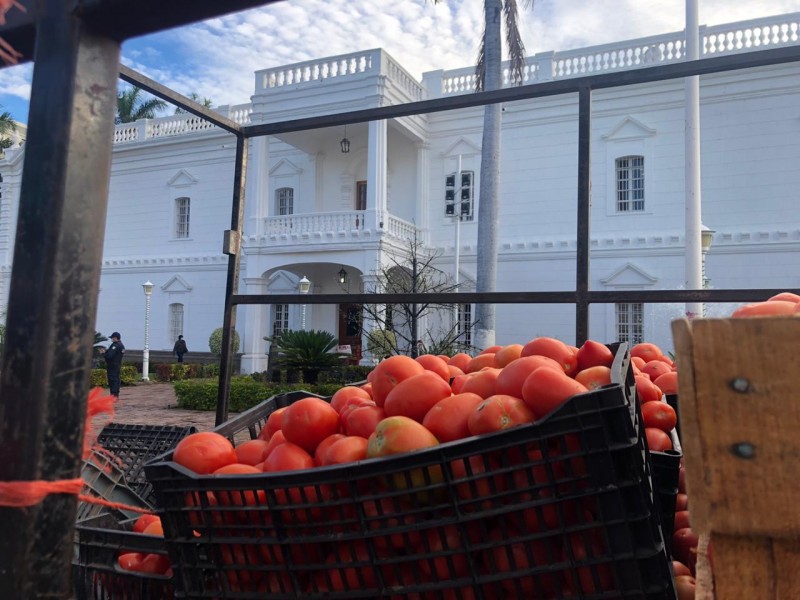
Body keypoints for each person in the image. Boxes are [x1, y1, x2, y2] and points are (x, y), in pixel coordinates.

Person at [105, 331, 125, 397]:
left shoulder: (115, 345)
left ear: (115, 338)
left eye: (112, 338)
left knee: (112, 380)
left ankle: (113, 395)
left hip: (112, 365)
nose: (112, 339)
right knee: (116, 379)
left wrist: (103, 353)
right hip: (117, 365)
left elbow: (109, 356)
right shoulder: (121, 345)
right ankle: (115, 395)